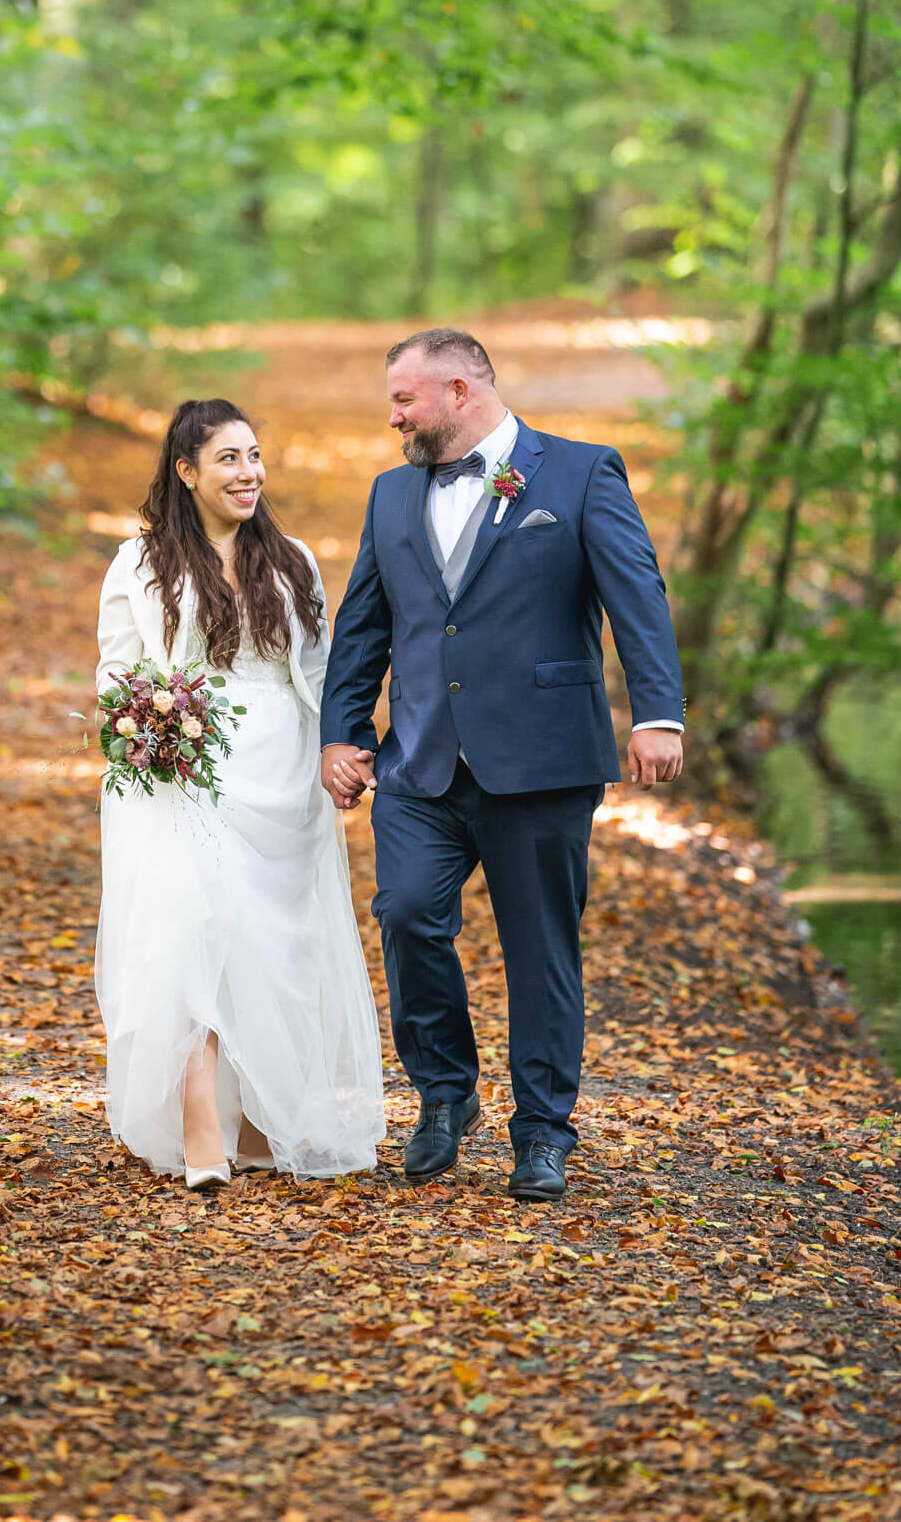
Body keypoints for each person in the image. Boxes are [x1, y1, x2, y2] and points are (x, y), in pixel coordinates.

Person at [320, 328, 684, 1203]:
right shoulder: (390, 494)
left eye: (403, 400)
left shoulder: (581, 473)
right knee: (408, 915)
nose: (393, 417)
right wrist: (343, 732)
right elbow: (364, 622)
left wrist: (657, 713)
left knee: (541, 951)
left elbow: (637, 595)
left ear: (458, 390)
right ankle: (445, 1094)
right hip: (419, 761)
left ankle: (543, 1132)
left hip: (542, 760)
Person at [94, 398, 384, 1188]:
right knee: (195, 939)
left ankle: (262, 1122)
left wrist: (338, 750)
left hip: (282, 770)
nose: (248, 472)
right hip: (188, 773)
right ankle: (200, 1128)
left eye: (254, 456)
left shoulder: (292, 560)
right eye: (229, 458)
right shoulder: (140, 564)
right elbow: (115, 674)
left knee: (277, 945)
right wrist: (148, 725)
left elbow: (319, 670)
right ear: (186, 471)